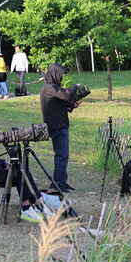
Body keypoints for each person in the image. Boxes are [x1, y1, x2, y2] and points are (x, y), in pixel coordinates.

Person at [0, 142, 58, 223]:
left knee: (22, 170)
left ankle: (38, 203)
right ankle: (27, 207)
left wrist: (4, 163)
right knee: (20, 173)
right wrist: (3, 164)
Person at [40, 63, 80, 193]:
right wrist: (75, 87)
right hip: (56, 126)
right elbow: (66, 95)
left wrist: (72, 106)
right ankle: (58, 184)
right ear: (55, 73)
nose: (62, 77)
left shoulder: (53, 87)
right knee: (61, 155)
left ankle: (61, 181)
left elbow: (62, 104)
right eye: (61, 74)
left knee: (63, 155)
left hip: (60, 124)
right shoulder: (49, 88)